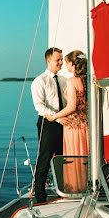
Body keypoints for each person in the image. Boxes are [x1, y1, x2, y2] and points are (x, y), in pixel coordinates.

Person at [47, 50, 89, 193]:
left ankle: (76, 188)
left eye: (66, 63)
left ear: (72, 64)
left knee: (74, 158)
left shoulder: (72, 81)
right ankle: (87, 186)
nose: (65, 66)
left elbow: (71, 107)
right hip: (86, 125)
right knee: (85, 156)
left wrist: (54, 117)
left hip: (73, 126)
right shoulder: (88, 80)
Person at [31, 47, 66, 203]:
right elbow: (40, 106)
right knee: (44, 159)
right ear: (48, 60)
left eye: (62, 59)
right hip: (47, 124)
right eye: (58, 59)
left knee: (62, 158)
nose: (61, 62)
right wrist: (57, 118)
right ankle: (40, 196)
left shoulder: (64, 81)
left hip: (63, 124)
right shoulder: (39, 81)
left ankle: (62, 191)